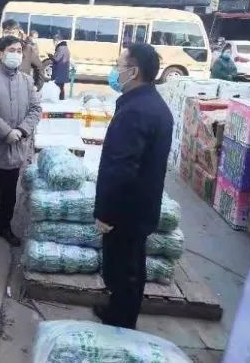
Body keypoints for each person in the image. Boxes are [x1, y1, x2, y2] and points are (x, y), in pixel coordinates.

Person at [93, 43, 173, 330]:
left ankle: (121, 323)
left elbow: (121, 168)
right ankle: (118, 311)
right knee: (132, 266)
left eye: (119, 66)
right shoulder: (152, 104)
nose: (116, 72)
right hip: (142, 205)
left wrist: (105, 213)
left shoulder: (136, 111)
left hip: (126, 210)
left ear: (134, 71)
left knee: (122, 269)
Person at [0, 36, 42, 252]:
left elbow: (36, 109)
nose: (17, 54)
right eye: (12, 50)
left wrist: (21, 130)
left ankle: (4, 227)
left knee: (9, 195)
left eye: (19, 51)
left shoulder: (27, 81)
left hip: (15, 151)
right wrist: (6, 132)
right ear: (0, 54)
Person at [1, 19, 44, 90]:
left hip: (21, 90)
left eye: (13, 32)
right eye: (7, 32)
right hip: (1, 90)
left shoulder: (27, 49)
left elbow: (40, 67)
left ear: (18, 34)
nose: (10, 35)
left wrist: (37, 86)